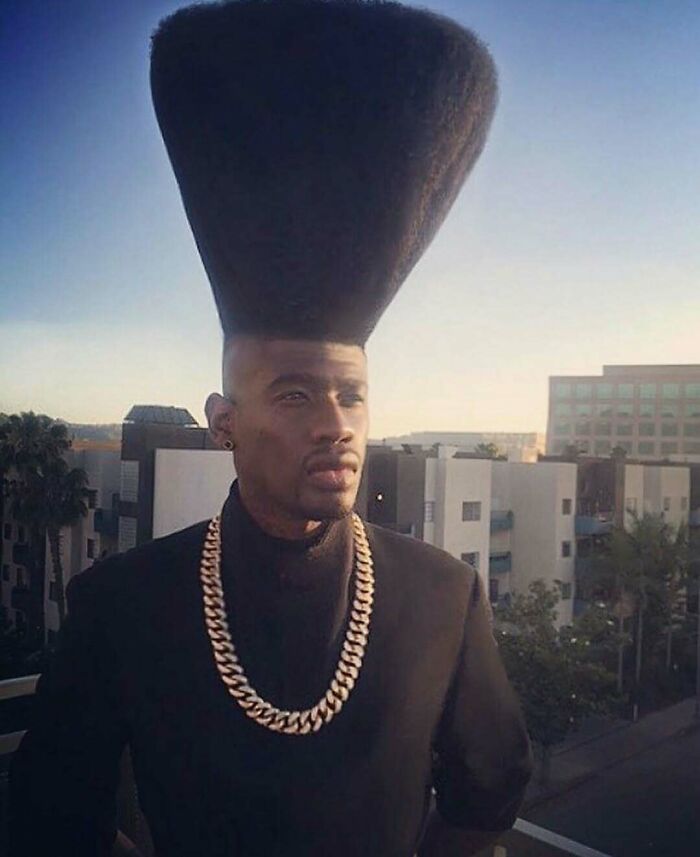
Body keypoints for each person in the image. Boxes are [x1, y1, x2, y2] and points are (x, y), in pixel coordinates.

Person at [9, 2, 533, 855]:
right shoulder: (121, 606)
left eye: (352, 395)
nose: (336, 425)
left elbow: (487, 798)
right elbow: (50, 812)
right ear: (225, 423)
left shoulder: (444, 595)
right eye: (294, 396)